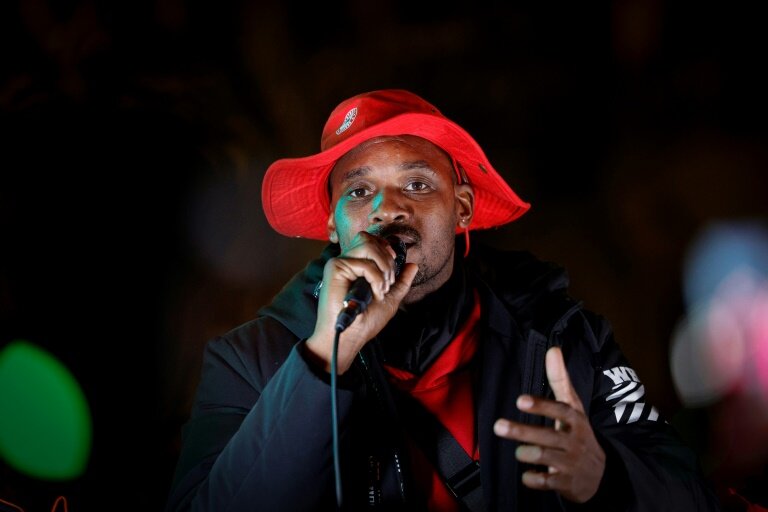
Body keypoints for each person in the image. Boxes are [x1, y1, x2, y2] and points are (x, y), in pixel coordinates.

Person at [165, 89, 721, 511]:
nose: (387, 209)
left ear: (462, 209)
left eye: (417, 184)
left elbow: (693, 493)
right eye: (358, 192)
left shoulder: (562, 335)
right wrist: (324, 358)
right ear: (332, 227)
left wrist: (605, 476)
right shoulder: (248, 359)